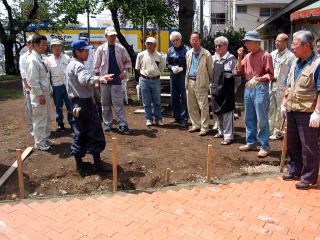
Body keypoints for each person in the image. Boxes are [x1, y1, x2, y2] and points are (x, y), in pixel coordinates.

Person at [65, 40, 114, 175]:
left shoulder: (71, 65)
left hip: (75, 103)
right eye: (85, 51)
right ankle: (97, 163)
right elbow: (84, 79)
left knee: (80, 132)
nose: (88, 53)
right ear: (77, 52)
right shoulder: (78, 66)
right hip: (84, 103)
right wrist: (99, 78)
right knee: (94, 130)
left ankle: (80, 165)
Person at [281, 30, 320, 190]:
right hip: (292, 109)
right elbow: (288, 85)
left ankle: (309, 177)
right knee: (292, 143)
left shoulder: (317, 64)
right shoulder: (295, 62)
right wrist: (284, 103)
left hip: (307, 112)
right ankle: (295, 170)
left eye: (295, 43)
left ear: (306, 45)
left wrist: (317, 112)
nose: (292, 47)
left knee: (309, 146)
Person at [236, 31, 274, 158]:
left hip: (260, 87)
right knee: (249, 117)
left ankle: (265, 146)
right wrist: (239, 56)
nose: (246, 43)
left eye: (248, 41)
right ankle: (251, 142)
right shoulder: (247, 56)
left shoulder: (266, 55)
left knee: (262, 118)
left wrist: (259, 79)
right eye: (245, 41)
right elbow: (239, 70)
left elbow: (270, 74)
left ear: (257, 42)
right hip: (248, 86)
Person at [93, 26, 133, 134]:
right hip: (104, 80)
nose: (113, 37)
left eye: (114, 35)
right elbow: (96, 67)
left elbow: (128, 62)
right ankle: (108, 124)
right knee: (105, 103)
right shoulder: (100, 49)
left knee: (118, 103)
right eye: (110, 35)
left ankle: (123, 124)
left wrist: (124, 71)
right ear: (106, 36)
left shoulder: (120, 48)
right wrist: (97, 81)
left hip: (116, 80)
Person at [26, 34, 53, 151]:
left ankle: (45, 138)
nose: (45, 47)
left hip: (45, 92)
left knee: (46, 117)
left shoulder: (39, 57)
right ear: (35, 45)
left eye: (45, 44)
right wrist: (40, 94)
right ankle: (39, 142)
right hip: (39, 94)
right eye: (43, 45)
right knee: (39, 119)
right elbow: (32, 80)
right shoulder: (32, 59)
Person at [185, 32, 213, 136]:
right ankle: (195, 125)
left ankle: (205, 127)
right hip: (190, 81)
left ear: (200, 40)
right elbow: (188, 68)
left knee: (203, 106)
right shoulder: (188, 53)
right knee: (192, 105)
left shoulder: (206, 53)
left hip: (201, 82)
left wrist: (210, 81)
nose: (194, 41)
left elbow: (210, 70)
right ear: (190, 41)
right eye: (192, 39)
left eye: (196, 39)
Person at [269, 33, 295, 140]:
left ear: (286, 42)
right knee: (270, 109)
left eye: (279, 41)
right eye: (276, 40)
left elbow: (291, 73)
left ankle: (277, 131)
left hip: (282, 87)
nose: (276, 43)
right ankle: (269, 129)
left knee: (280, 110)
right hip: (272, 85)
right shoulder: (272, 53)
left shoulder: (291, 56)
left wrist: (288, 88)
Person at [211, 36, 237, 145]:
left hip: (227, 91)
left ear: (226, 46)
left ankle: (228, 136)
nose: (217, 48)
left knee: (227, 113)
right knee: (217, 112)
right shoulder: (214, 58)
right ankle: (220, 132)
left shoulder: (231, 59)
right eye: (216, 46)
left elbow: (237, 77)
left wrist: (232, 90)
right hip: (216, 89)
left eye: (220, 46)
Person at [135, 37, 165, 126]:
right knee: (146, 102)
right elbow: (137, 68)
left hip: (156, 80)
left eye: (151, 44)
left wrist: (153, 74)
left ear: (155, 45)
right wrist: (144, 75)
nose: (149, 45)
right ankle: (148, 119)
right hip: (144, 80)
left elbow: (161, 68)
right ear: (145, 45)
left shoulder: (159, 56)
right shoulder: (141, 55)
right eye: (148, 43)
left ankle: (158, 119)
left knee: (157, 102)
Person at [45, 39, 73, 132]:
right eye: (55, 46)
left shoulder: (67, 58)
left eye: (59, 46)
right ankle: (60, 124)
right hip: (56, 86)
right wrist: (49, 88)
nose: (57, 48)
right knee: (58, 106)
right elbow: (47, 75)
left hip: (67, 85)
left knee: (70, 105)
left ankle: (72, 122)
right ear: (51, 48)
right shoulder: (48, 60)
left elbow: (71, 72)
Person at [166, 31, 189, 127]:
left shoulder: (187, 50)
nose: (175, 42)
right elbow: (167, 63)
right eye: (173, 40)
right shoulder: (170, 50)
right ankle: (176, 117)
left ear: (180, 39)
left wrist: (182, 68)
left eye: (177, 40)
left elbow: (191, 64)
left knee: (184, 97)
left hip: (183, 75)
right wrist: (171, 68)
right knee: (174, 97)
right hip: (173, 76)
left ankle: (184, 119)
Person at [80, 35, 103, 120]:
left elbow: (97, 66)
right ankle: (90, 115)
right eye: (82, 40)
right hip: (83, 81)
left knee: (98, 98)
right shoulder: (78, 53)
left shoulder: (92, 51)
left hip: (93, 79)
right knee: (86, 99)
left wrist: (97, 81)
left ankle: (101, 115)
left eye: (85, 40)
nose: (84, 42)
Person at [19, 35, 33, 135]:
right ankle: (31, 127)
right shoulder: (24, 57)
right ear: (27, 44)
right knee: (29, 106)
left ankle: (39, 126)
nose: (32, 44)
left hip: (38, 85)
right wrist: (27, 86)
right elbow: (23, 72)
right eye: (30, 42)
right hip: (28, 85)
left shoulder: (40, 55)